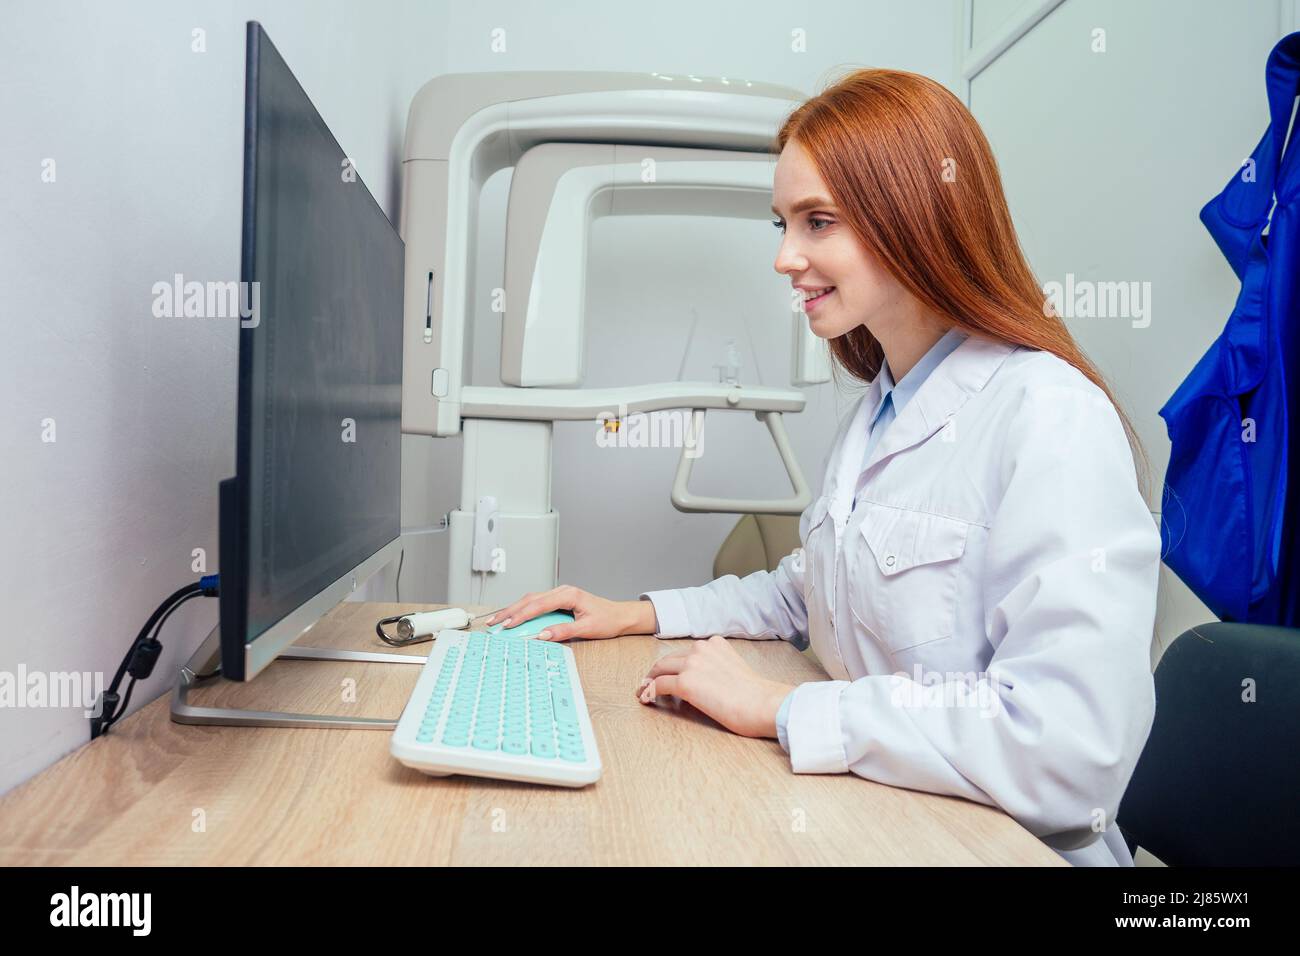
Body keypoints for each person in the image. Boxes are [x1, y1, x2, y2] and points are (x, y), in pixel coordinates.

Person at [483, 68, 1161, 867]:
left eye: (817, 222)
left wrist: (780, 708)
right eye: (782, 223)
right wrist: (638, 614)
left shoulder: (1048, 416)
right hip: (882, 819)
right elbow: (809, 590)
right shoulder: (880, 409)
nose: (783, 257)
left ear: (918, 213)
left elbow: (1069, 750)